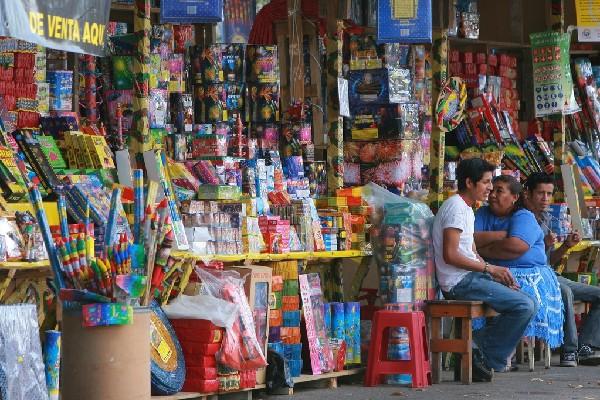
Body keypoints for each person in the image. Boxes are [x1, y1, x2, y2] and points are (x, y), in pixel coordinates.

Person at [432, 158, 537, 381]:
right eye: (486, 182)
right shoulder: (456, 208)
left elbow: (471, 251)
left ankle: (477, 349)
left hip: (471, 277)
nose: (490, 189)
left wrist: (495, 272)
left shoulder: (467, 209)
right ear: (469, 182)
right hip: (458, 283)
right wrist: (489, 268)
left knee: (525, 300)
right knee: (523, 305)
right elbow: (450, 255)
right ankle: (481, 354)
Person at [473, 175, 564, 353]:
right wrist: (503, 235)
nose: (492, 195)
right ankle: (486, 349)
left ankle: (501, 350)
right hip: (491, 273)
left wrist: (482, 250)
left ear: (515, 197)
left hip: (530, 276)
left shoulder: (524, 216)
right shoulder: (483, 213)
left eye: (499, 191)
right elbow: (470, 239)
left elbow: (515, 247)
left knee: (518, 299)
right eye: (491, 190)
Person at [524, 172, 600, 367]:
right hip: (534, 278)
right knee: (564, 292)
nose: (545, 199)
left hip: (550, 275)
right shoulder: (522, 219)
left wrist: (565, 246)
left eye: (549, 194)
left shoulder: (545, 219)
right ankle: (570, 351)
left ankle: (586, 345)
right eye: (541, 193)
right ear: (528, 193)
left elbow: (548, 261)